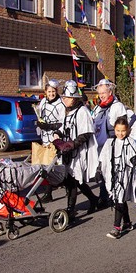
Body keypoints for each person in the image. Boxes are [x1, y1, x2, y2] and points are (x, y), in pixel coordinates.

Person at [52, 80, 99, 219]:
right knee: (72, 180)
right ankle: (93, 199)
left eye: (66, 98)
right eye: (63, 97)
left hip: (77, 152)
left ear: (73, 98)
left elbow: (86, 133)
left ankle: (70, 209)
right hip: (66, 151)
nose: (64, 100)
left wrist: (72, 145)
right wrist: (57, 136)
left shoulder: (82, 111)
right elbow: (63, 128)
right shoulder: (67, 111)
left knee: (73, 179)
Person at [99, 117, 136, 239]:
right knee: (120, 199)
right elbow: (103, 158)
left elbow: (134, 157)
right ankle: (127, 223)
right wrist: (99, 170)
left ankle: (116, 228)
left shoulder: (131, 142)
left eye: (123, 130)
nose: (120, 133)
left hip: (125, 176)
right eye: (118, 130)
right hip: (112, 175)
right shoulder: (109, 143)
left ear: (127, 130)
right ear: (114, 129)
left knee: (119, 198)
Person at [92, 79, 127, 208]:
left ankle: (112, 196)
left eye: (104, 93)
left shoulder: (117, 106)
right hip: (100, 146)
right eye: (100, 93)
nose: (101, 95)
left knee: (112, 172)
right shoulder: (97, 108)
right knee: (102, 171)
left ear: (110, 91)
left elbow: (124, 126)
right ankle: (104, 196)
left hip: (113, 145)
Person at [36, 79, 66, 203]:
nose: (51, 94)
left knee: (57, 164)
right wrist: (40, 123)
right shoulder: (43, 101)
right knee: (46, 164)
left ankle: (65, 184)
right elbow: (40, 115)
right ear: (45, 92)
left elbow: (63, 122)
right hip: (45, 137)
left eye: (53, 91)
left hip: (55, 137)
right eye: (49, 91)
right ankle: (48, 192)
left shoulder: (61, 104)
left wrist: (51, 127)